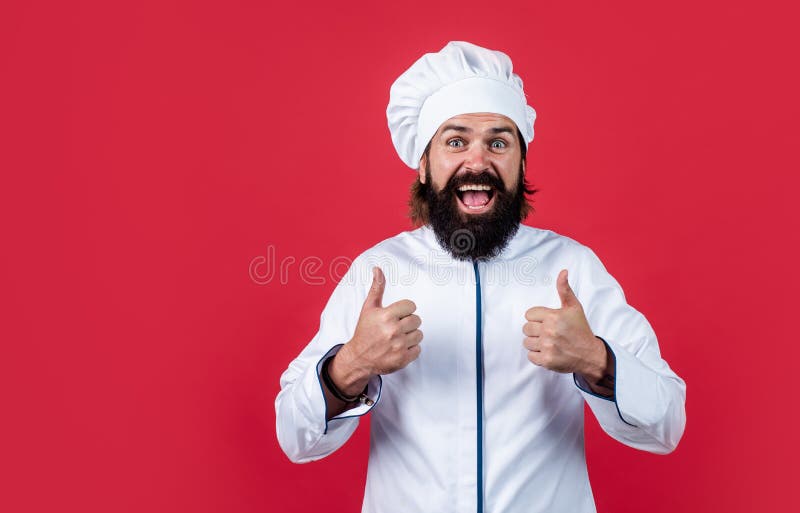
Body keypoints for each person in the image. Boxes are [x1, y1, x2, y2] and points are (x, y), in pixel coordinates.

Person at [275, 41, 686, 513]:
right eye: (455, 141)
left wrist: (596, 359)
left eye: (498, 142)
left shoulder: (572, 269)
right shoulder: (377, 273)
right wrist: (350, 365)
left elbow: (667, 425)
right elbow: (294, 437)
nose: (478, 161)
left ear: (521, 162)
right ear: (424, 164)